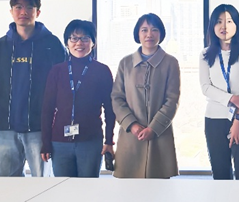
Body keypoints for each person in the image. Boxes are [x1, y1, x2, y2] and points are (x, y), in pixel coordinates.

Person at [0, 0, 65, 177]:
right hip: (8, 126)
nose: (23, 12)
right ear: (11, 11)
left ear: (37, 12)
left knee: (41, 181)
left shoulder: (52, 44)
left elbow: (61, 85)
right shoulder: (0, 46)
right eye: (18, 7)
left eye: (29, 7)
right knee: (6, 183)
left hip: (39, 126)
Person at [40, 20, 115, 177]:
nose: (79, 43)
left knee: (88, 188)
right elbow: (47, 109)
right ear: (67, 43)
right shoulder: (57, 71)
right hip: (59, 143)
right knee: (63, 188)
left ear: (93, 43)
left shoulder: (102, 71)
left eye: (85, 38)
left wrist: (109, 141)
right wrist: (45, 143)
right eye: (74, 38)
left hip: (90, 142)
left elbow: (110, 109)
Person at [111, 13, 181, 178]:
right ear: (138, 34)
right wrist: (132, 124)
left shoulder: (171, 62)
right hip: (130, 136)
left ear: (161, 33)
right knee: (128, 189)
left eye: (154, 30)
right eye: (144, 30)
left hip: (160, 136)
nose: (149, 34)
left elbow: (172, 100)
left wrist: (153, 128)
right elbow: (117, 98)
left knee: (159, 188)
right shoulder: (125, 63)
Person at [200, 4, 239, 180]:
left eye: (229, 21)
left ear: (237, 24)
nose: (223, 26)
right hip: (214, 120)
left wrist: (238, 120)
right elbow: (206, 87)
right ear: (212, 26)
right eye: (219, 22)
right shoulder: (205, 54)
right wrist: (232, 98)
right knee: (220, 174)